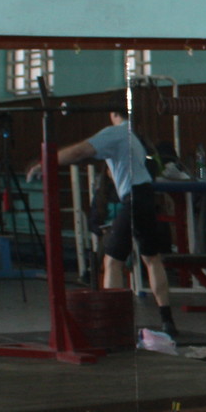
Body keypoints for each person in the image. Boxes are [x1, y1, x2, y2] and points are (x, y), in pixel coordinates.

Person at [28, 108, 177, 336]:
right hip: (147, 196)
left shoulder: (116, 132)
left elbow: (79, 151)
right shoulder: (134, 137)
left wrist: (45, 162)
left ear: (112, 113)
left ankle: (112, 321)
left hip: (134, 198)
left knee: (112, 262)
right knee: (151, 258)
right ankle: (167, 321)